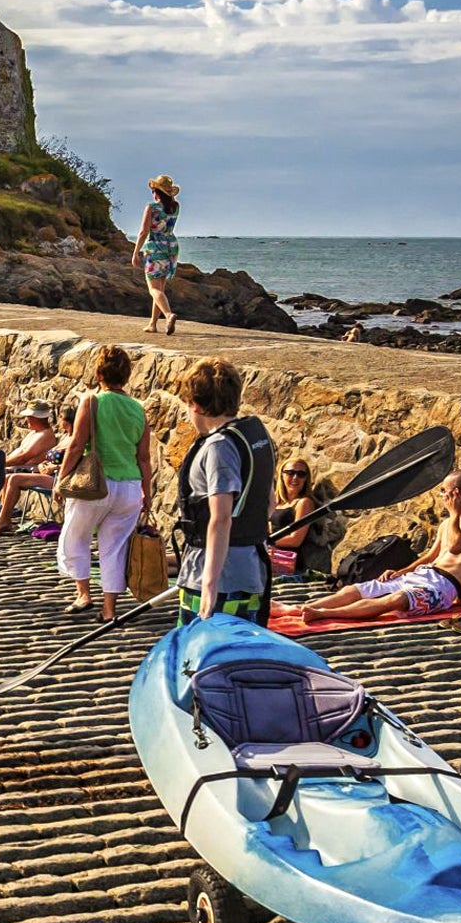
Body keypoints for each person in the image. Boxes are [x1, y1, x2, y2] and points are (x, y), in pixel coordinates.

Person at [301, 472, 461, 625]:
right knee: (355, 589)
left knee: (396, 599)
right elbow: (432, 555)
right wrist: (402, 571)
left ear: (455, 493)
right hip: (423, 573)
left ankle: (324, 614)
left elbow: (456, 547)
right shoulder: (447, 524)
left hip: (442, 585)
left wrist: (455, 514)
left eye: (443, 491)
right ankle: (302, 608)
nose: (442, 496)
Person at [174, 356, 277, 626]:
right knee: (242, 648)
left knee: (199, 650)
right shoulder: (254, 435)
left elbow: (221, 518)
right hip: (250, 569)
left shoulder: (219, 447)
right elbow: (269, 502)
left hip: (218, 579)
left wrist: (209, 585)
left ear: (196, 405)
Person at [56, 346, 153, 619]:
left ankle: (83, 594)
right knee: (115, 548)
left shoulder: (91, 401)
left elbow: (76, 445)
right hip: (129, 487)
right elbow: (144, 457)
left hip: (95, 485)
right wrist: (147, 493)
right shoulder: (138, 409)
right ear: (127, 375)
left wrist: (61, 480)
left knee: (75, 537)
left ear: (98, 373)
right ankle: (109, 609)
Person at [0, 403, 76, 534]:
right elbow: (47, 457)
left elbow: (77, 462)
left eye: (61, 417)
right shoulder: (65, 437)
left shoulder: (76, 440)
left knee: (14, 478)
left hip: (63, 478)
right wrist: (42, 465)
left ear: (67, 420)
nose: (58, 420)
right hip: (49, 474)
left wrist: (55, 467)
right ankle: (1, 516)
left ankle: (3, 520)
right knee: (8, 477)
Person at [0, 400, 57, 529]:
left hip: (30, 469)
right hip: (20, 467)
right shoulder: (34, 433)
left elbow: (24, 458)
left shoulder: (45, 435)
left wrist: (1, 464)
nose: (27, 420)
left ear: (36, 418)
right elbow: (19, 454)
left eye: (29, 417)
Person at [133, 174, 181, 335]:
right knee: (160, 288)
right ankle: (152, 324)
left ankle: (168, 315)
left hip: (155, 248)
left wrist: (136, 252)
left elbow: (143, 232)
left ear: (157, 192)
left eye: (154, 190)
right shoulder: (175, 207)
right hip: (171, 247)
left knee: (153, 289)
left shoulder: (152, 207)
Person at [270, 458, 318, 576]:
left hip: (287, 564)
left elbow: (295, 540)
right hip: (269, 559)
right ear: (282, 475)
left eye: (301, 474)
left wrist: (264, 541)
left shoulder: (304, 503)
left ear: (306, 478)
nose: (295, 477)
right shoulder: (275, 503)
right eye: (290, 473)